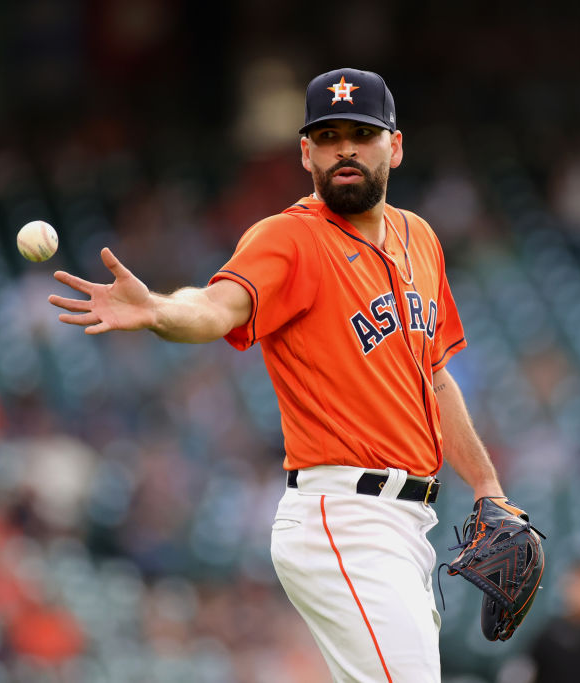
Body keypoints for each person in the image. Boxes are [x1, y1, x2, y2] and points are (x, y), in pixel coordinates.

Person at [49, 67, 510, 682]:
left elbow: (435, 376)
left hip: (407, 525)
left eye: (362, 133)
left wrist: (486, 486)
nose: (344, 148)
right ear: (305, 153)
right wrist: (159, 309)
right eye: (327, 136)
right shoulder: (290, 239)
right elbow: (216, 307)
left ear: (394, 146)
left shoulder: (420, 239)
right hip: (344, 517)